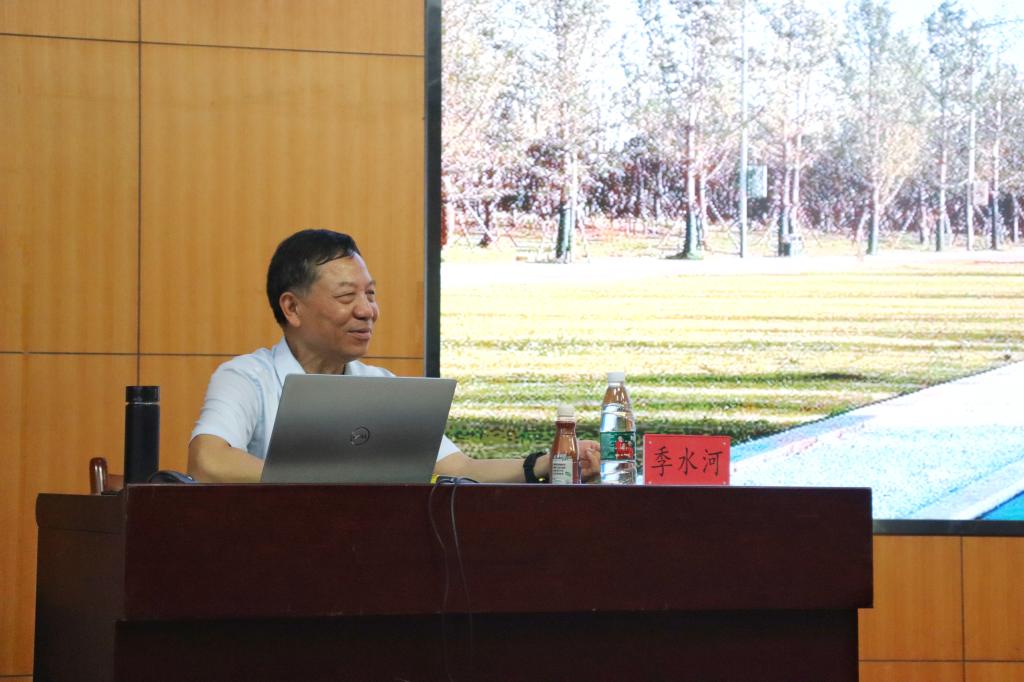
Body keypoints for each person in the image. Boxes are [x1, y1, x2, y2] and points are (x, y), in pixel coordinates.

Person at [189, 229, 601, 483]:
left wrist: (545, 463)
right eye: (346, 297)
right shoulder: (247, 377)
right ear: (292, 308)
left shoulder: (381, 387)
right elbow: (208, 460)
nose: (366, 310)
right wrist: (322, 481)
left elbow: (459, 470)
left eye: (370, 294)